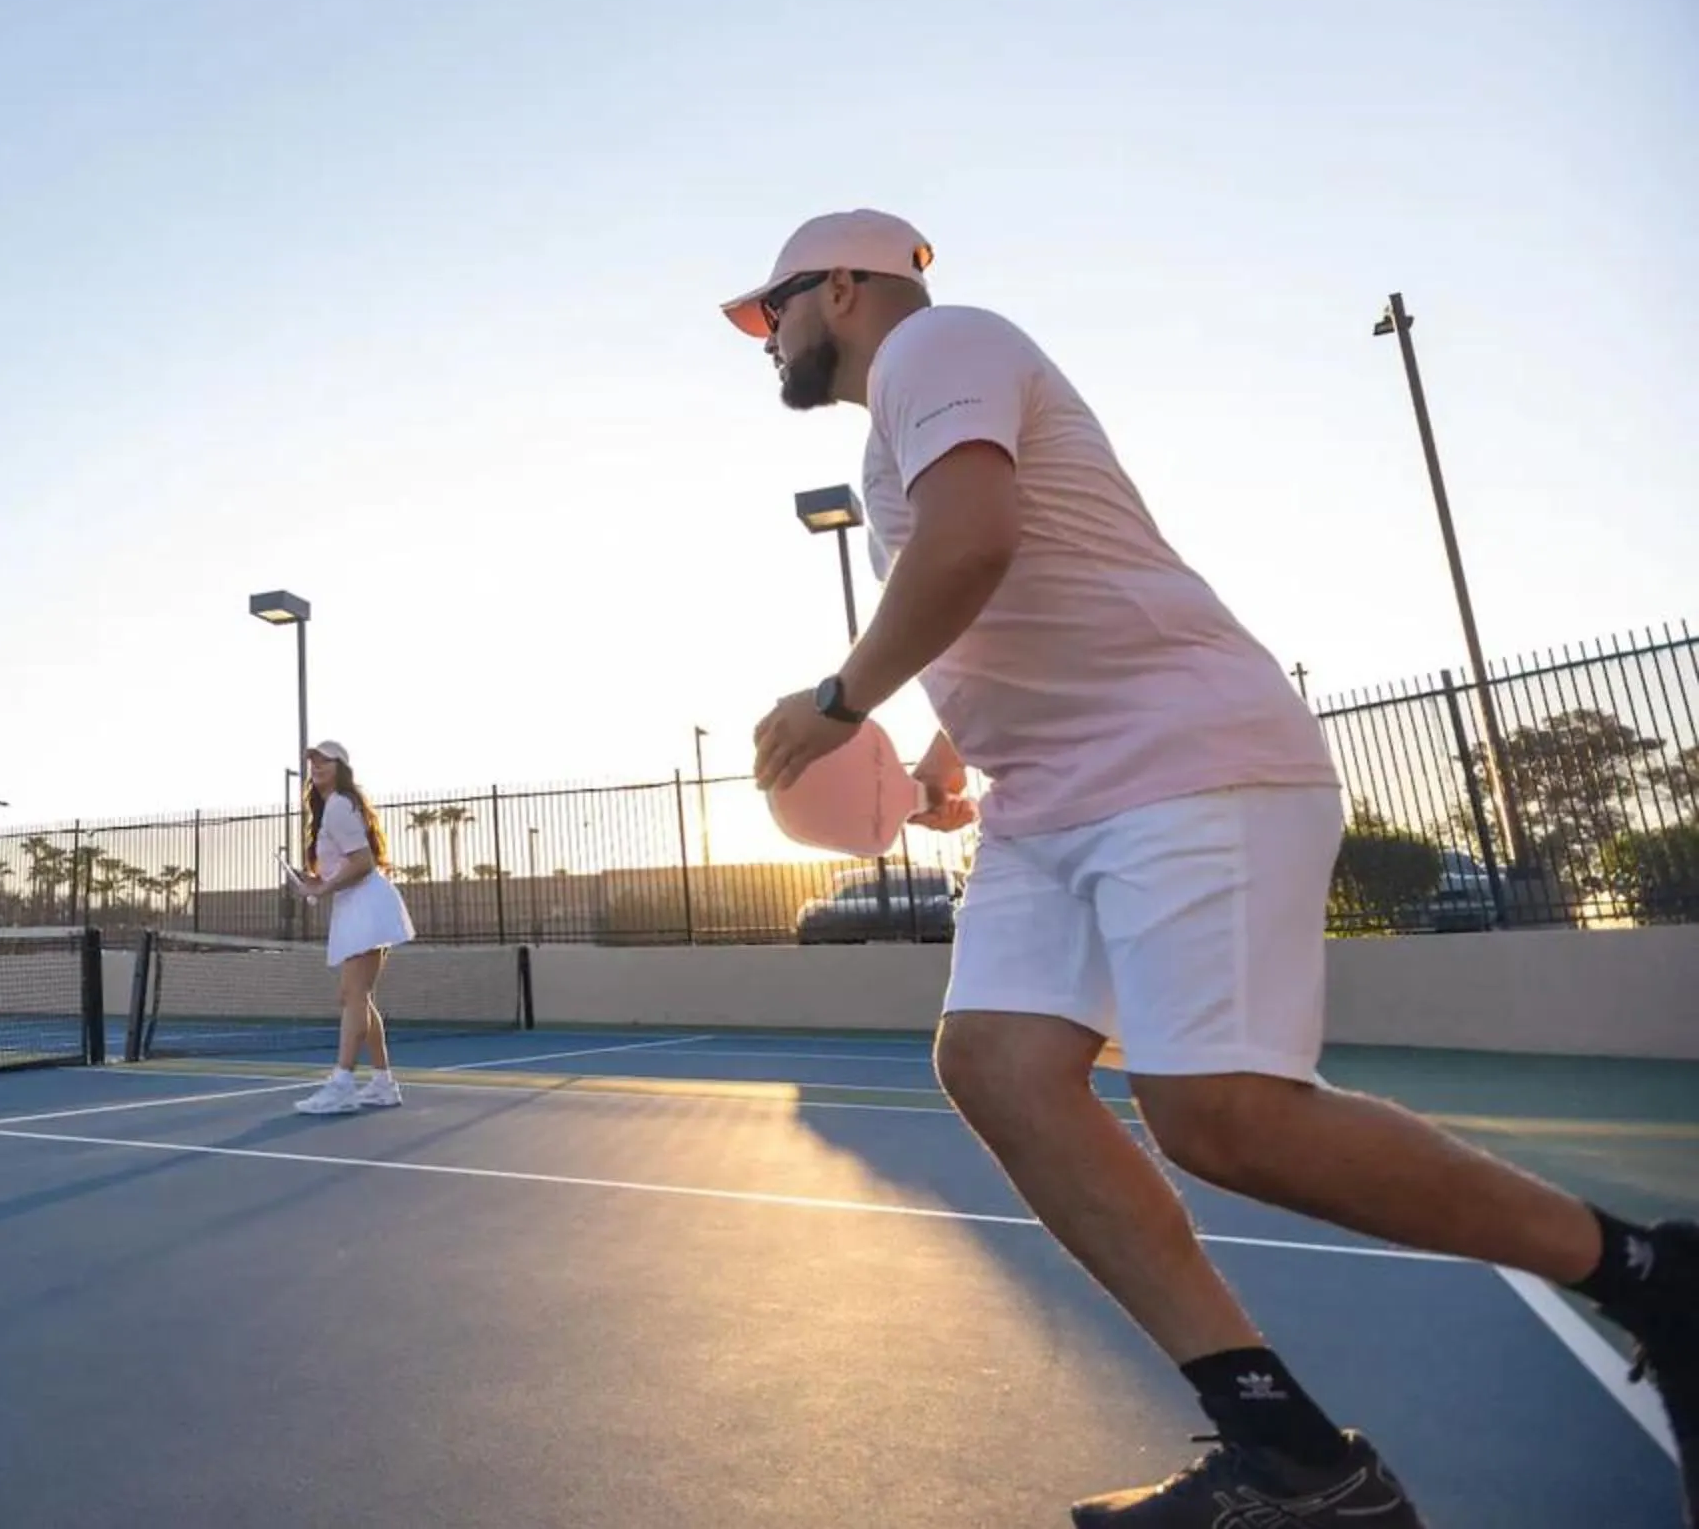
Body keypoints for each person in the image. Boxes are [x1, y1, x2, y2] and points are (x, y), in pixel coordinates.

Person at [722, 209, 1695, 1526]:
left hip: (1181, 758)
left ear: (844, 285)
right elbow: (1015, 589)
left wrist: (841, 698)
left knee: (1223, 1114)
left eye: (772, 307)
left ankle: (1653, 1277)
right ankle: (1291, 1455)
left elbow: (975, 542)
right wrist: (950, 754)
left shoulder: (939, 347)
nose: (765, 335)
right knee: (997, 1062)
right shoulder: (910, 411)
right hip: (1049, 799)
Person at [283, 740, 416, 1114]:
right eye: (313, 761)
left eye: (326, 760)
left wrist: (321, 889)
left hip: (365, 904)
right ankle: (383, 1083)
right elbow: (347, 864)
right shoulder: (333, 808)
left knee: (354, 995)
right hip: (358, 903)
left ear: (341, 767)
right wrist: (317, 880)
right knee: (357, 995)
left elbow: (363, 863)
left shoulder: (339, 804)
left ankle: (342, 1084)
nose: (317, 765)